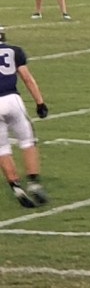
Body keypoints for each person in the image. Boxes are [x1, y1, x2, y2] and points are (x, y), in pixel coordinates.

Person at [0, 26, 50, 208]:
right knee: (27, 141)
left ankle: (16, 187)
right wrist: (40, 102)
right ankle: (33, 183)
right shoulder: (15, 51)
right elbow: (27, 78)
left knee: (2, 148)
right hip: (12, 99)